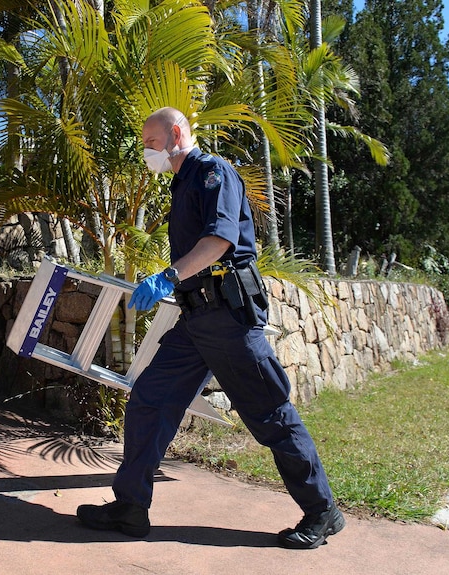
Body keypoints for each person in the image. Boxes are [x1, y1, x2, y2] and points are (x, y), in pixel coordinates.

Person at [76, 107, 345, 550]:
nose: (147, 151)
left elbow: (219, 242)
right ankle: (130, 506)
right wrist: (176, 282)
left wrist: (167, 277)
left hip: (228, 320)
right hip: (196, 321)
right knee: (150, 399)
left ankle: (322, 511)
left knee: (271, 416)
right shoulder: (182, 184)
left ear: (177, 133)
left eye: (152, 141)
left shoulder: (211, 172)